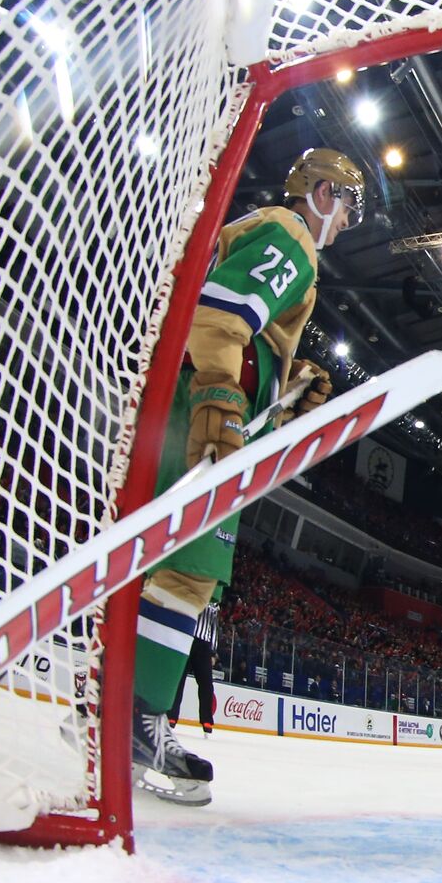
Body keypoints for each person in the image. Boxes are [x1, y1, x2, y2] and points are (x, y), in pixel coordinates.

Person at [132, 148, 364, 804]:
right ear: (322, 194)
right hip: (195, 411)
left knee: (168, 570)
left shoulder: (279, 240)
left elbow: (240, 326)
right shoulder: (293, 235)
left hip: (186, 401)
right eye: (347, 207)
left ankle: (124, 713)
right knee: (185, 572)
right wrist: (220, 400)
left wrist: (285, 384)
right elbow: (224, 317)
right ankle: (134, 721)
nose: (346, 223)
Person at [168, 601, 220, 734]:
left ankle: (206, 719)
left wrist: (213, 651)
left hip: (203, 645)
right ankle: (172, 716)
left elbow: (214, 627)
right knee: (179, 680)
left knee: (206, 683)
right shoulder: (194, 593)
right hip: (187, 637)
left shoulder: (215, 604)